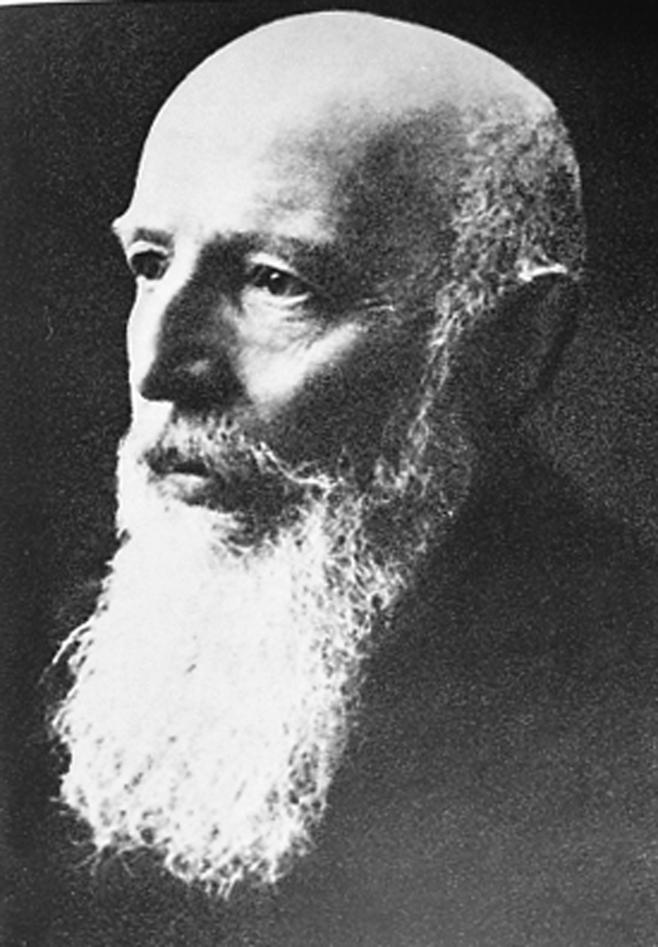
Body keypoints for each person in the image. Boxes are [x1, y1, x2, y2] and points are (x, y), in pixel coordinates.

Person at [45, 11, 658, 946]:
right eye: (151, 264)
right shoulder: (75, 643)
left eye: (275, 281)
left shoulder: (624, 714)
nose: (162, 369)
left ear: (509, 343)